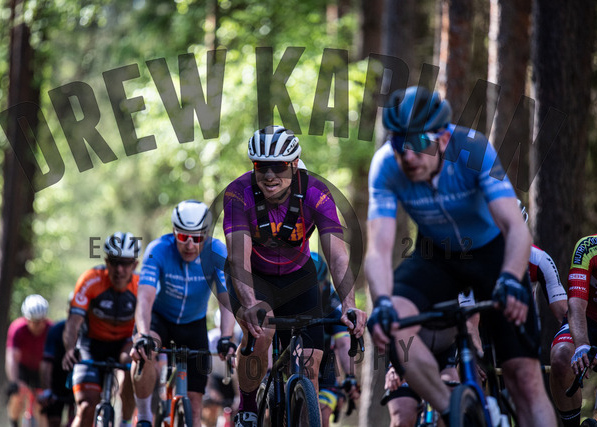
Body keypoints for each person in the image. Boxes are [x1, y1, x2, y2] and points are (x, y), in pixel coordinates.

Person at [365, 86, 556, 426]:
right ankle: (454, 410)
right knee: (394, 322)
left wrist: (511, 279)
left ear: (442, 137)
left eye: (417, 142)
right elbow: (378, 249)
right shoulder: (385, 166)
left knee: (523, 377)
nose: (407, 155)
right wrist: (380, 303)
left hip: (492, 254)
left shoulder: (472, 147)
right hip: (436, 254)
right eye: (398, 143)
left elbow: (515, 227)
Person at [222, 126, 366, 427]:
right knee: (261, 332)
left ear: (294, 163)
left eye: (278, 166)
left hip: (299, 278)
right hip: (253, 277)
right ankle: (247, 407)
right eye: (261, 166)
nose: (269, 175)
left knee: (310, 367)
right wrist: (250, 304)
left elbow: (337, 255)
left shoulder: (315, 192)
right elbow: (238, 258)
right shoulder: (238, 193)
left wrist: (349, 305)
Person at [130, 200, 236, 427]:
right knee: (145, 351)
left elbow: (227, 299)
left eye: (196, 238)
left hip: (194, 324)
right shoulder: (158, 250)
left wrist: (226, 337)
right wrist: (142, 334)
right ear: (173, 232)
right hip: (159, 320)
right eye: (183, 236)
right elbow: (145, 298)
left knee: (196, 406)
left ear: (206, 235)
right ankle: (145, 417)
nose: (189, 245)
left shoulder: (216, 251)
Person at [62, 231, 141, 427]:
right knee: (87, 406)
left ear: (135, 265)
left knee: (133, 362)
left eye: (126, 263)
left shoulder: (141, 285)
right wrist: (70, 349)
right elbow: (73, 322)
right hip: (91, 344)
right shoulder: (91, 280)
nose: (119, 269)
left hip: (124, 344)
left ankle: (125, 421)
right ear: (106, 262)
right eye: (114, 262)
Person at [549, 233, 597, 427]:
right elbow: (576, 304)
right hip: (586, 320)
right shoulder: (589, 247)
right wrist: (581, 346)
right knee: (562, 357)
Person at [311, 251, 360, 427]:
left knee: (322, 416)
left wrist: (350, 376)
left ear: (324, 283)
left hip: (326, 367)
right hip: (292, 360)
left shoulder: (333, 303)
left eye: (316, 286)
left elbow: (344, 343)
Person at [6, 294, 52, 427]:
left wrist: (49, 385)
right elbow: (11, 357)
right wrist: (14, 381)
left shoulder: (51, 329)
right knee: (17, 395)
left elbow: (53, 360)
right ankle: (14, 423)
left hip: (42, 369)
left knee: (42, 405)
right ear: (27, 319)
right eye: (34, 321)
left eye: (41, 321)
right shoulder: (17, 329)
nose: (38, 325)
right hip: (23, 367)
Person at [39, 292, 75, 427]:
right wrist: (47, 390)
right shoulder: (56, 330)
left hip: (80, 381)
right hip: (57, 382)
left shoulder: (93, 331)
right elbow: (46, 364)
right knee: (54, 421)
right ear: (68, 310)